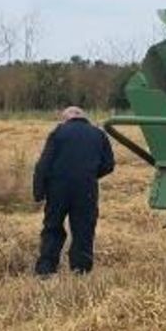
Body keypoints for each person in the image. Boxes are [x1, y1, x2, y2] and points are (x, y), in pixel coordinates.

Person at [33, 105, 115, 275]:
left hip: (57, 189)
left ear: (66, 118)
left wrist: (38, 192)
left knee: (52, 227)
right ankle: (80, 270)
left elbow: (43, 165)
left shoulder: (58, 133)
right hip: (86, 189)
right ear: (84, 117)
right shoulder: (99, 134)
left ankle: (46, 269)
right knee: (83, 229)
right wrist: (90, 174)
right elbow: (109, 165)